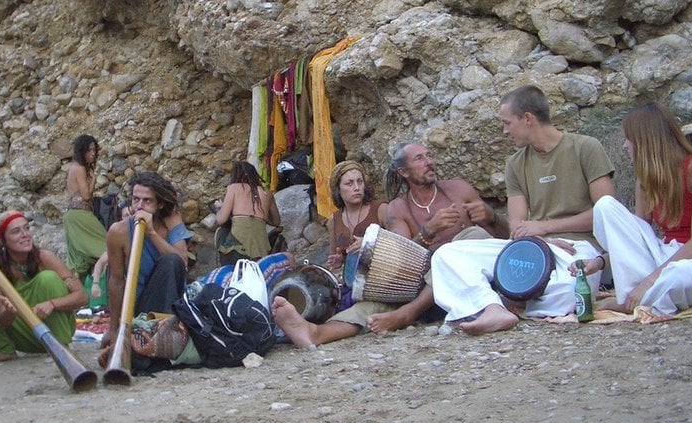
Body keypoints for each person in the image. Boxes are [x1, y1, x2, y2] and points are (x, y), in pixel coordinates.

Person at [273, 143, 507, 348]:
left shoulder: (459, 189)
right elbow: (402, 259)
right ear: (403, 171)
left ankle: (407, 315)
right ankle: (315, 333)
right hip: (425, 286)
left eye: (429, 156)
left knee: (470, 235)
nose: (429, 162)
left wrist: (492, 218)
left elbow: (505, 240)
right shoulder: (399, 208)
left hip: (466, 279)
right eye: (420, 159)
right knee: (372, 305)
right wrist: (428, 232)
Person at [429, 85, 616, 335]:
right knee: (446, 255)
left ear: (527, 118)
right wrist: (536, 238)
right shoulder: (515, 164)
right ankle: (492, 309)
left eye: (507, 123)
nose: (505, 131)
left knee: (571, 291)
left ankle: (504, 302)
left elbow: (606, 213)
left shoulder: (586, 147)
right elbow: (517, 226)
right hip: (532, 247)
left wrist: (546, 228)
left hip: (576, 248)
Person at [575, 103, 692, 315]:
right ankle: (639, 296)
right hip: (667, 257)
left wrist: (650, 281)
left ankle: (633, 299)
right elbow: (636, 241)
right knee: (605, 205)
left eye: (628, 139)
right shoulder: (644, 180)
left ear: (645, 140)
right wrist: (599, 262)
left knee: (681, 275)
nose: (625, 146)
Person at [98, 172, 191, 365]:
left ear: (160, 204)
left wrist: (151, 233)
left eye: (147, 201)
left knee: (170, 262)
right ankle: (137, 344)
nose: (139, 206)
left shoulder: (171, 222)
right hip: (140, 307)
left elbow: (181, 262)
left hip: (172, 304)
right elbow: (116, 281)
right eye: (135, 200)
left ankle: (161, 340)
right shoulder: (119, 231)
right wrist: (114, 329)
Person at [0, 210, 87, 362]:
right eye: (16, 231)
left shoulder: (45, 258)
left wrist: (52, 304)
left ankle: (61, 346)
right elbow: (3, 320)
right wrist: (8, 313)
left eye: (26, 228)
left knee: (48, 278)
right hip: (23, 333)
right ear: (2, 241)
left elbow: (82, 297)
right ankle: (5, 350)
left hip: (51, 328)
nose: (25, 234)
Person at [62, 134, 108, 286]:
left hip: (73, 215)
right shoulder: (80, 168)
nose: (93, 154)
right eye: (89, 150)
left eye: (94, 150)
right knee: (108, 244)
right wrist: (93, 181)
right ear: (82, 151)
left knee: (79, 261)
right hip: (80, 215)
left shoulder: (74, 167)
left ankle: (76, 297)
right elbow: (86, 196)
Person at [214, 161, 281, 263]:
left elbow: (221, 219)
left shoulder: (234, 188)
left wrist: (219, 208)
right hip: (260, 246)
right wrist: (261, 216)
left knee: (221, 231)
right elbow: (276, 222)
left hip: (238, 245)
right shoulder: (267, 193)